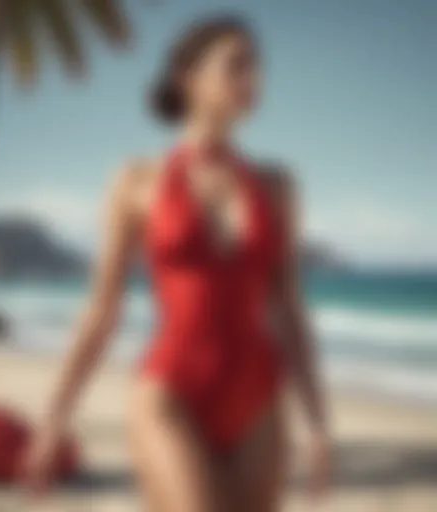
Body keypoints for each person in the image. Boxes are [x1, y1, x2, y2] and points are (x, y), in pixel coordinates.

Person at [23, 14, 330, 512]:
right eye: (237, 65)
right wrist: (54, 418)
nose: (252, 80)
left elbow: (289, 311)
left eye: (256, 67)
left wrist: (318, 422)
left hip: (258, 394)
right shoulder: (136, 180)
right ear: (188, 75)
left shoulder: (277, 186)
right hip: (170, 390)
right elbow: (102, 309)